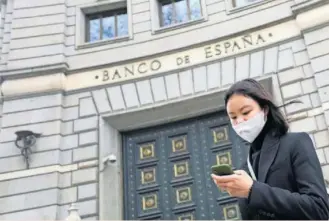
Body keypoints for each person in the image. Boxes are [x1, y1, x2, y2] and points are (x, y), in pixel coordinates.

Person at [211, 78, 329, 220]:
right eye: (233, 117)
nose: (240, 121)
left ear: (265, 109)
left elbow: (319, 208)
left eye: (246, 112)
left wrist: (253, 190)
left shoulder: (295, 143)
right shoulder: (245, 169)